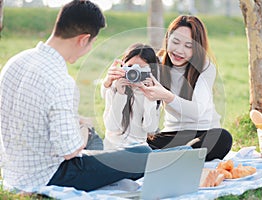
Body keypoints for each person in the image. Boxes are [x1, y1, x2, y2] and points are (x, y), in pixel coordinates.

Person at [0, 0, 151, 192]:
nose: (89, 50)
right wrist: (83, 128)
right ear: (83, 39)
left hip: (14, 170)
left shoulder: (15, 61)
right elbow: (69, 151)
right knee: (141, 153)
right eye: (92, 43)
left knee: (97, 141)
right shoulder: (60, 79)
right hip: (50, 175)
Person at [139, 15, 233, 161]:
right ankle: (180, 157)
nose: (179, 51)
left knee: (223, 138)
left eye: (188, 46)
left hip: (203, 133)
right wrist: (111, 84)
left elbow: (197, 112)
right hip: (172, 134)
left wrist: (167, 96)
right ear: (167, 39)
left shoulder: (205, 68)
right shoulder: (157, 65)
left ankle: (168, 158)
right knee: (139, 144)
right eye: (175, 42)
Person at [101, 43, 161, 150]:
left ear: (151, 71)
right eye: (130, 67)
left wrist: (150, 98)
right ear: (122, 67)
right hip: (115, 149)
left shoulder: (153, 94)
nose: (134, 73)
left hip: (139, 149)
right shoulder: (114, 88)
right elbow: (111, 127)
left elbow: (150, 128)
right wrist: (120, 95)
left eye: (141, 69)